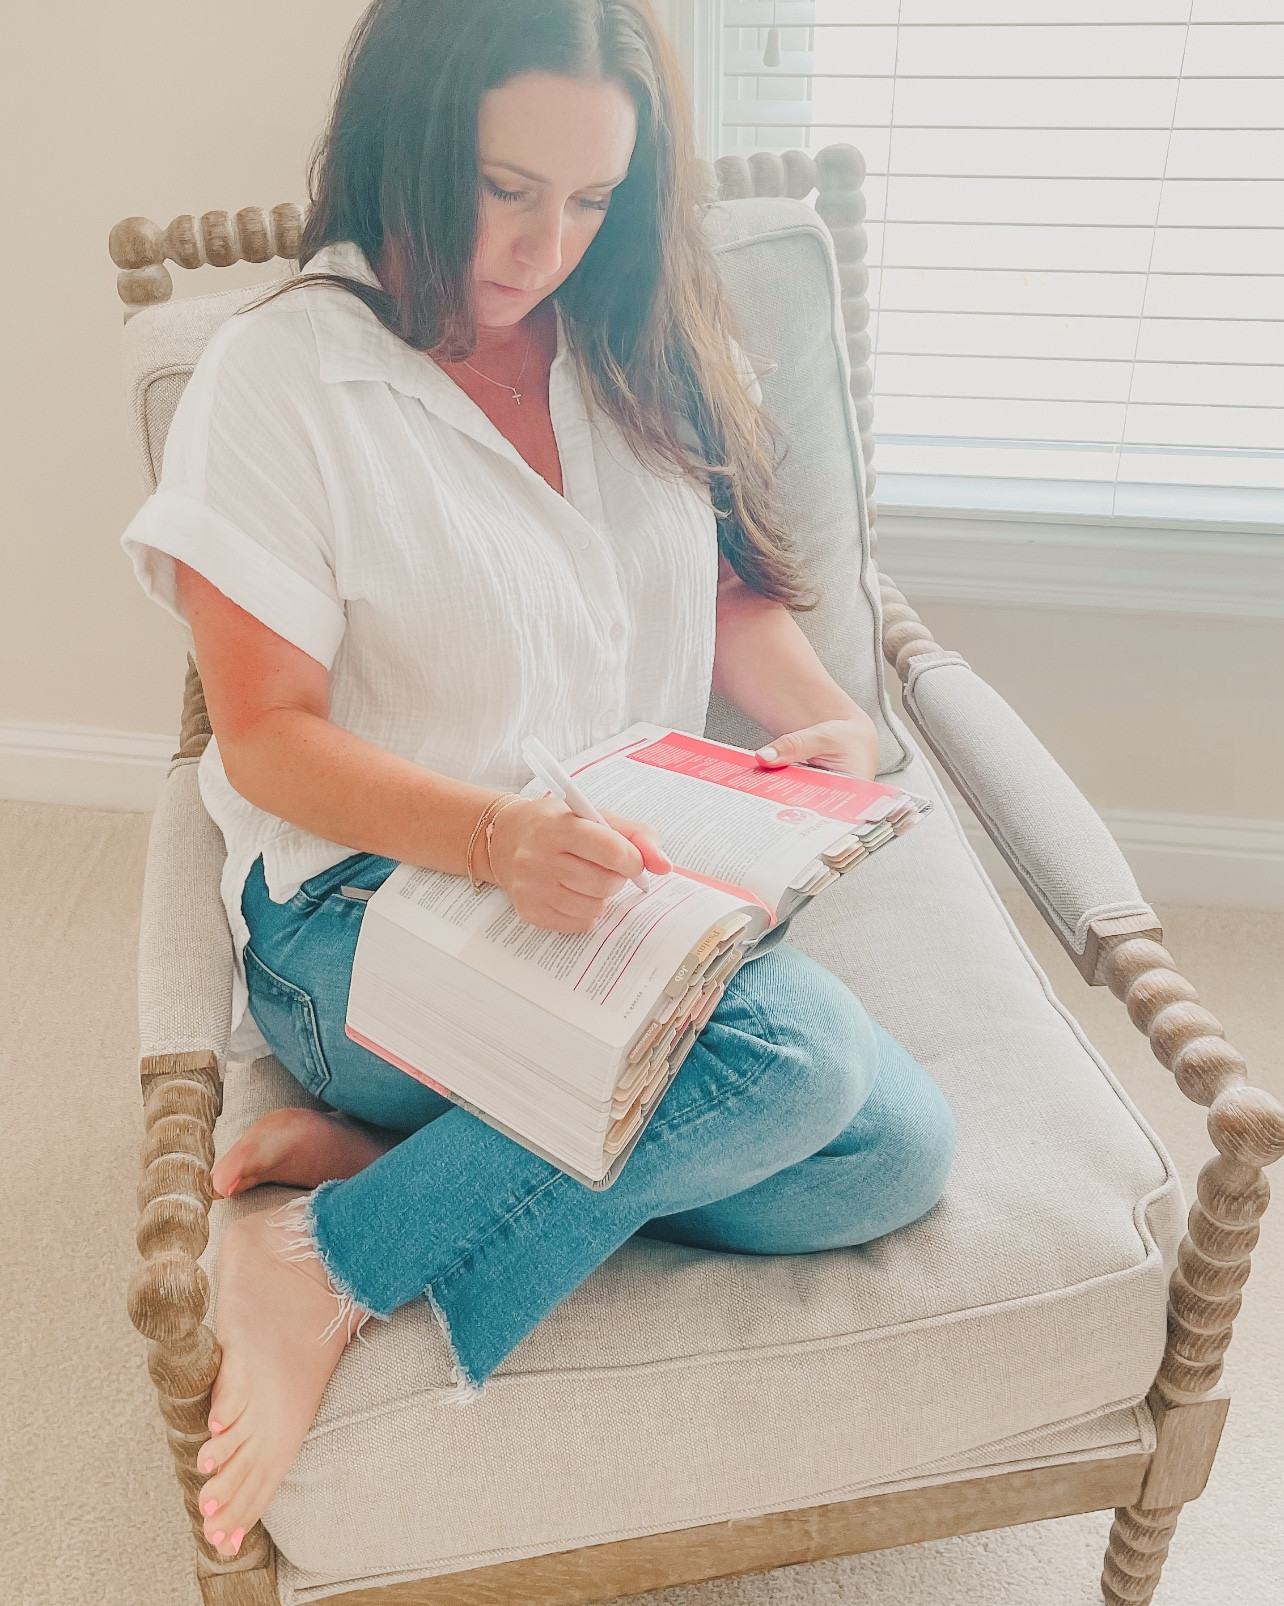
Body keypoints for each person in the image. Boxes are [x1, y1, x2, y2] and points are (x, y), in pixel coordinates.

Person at [120, 0, 956, 1563]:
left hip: (615, 892)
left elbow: (721, 587)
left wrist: (825, 724)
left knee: (890, 1155)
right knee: (794, 1063)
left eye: (589, 199)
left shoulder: (634, 330)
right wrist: (497, 838)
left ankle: (421, 1163)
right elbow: (265, 735)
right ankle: (330, 1260)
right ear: (409, 138)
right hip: (362, 911)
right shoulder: (278, 379)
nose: (542, 247)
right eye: (505, 187)